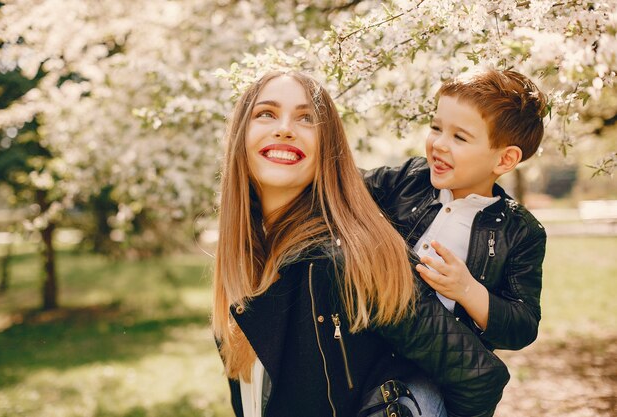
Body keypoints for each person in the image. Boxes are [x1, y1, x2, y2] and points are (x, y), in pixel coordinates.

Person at [212, 70, 509, 417]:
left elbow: (479, 376)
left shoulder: (355, 255)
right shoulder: (241, 263)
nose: (284, 128)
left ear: (328, 146)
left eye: (306, 118)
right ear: (239, 136)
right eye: (266, 113)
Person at [364, 68, 547, 351]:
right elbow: (345, 187)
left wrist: (467, 290)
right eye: (436, 128)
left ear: (504, 159)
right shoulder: (409, 178)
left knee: (419, 398)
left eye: (459, 138)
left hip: (432, 367)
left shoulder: (520, 232)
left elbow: (522, 326)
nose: (438, 144)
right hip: (363, 339)